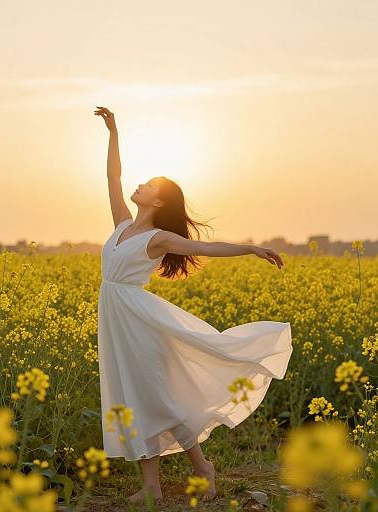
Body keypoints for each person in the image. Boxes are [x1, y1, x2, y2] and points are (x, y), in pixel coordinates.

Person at [94, 106, 293, 505]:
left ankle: (202, 467)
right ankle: (150, 485)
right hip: (116, 320)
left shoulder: (159, 238)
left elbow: (206, 247)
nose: (139, 184)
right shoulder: (121, 224)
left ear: (158, 200)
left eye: (148, 184)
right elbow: (112, 175)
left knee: (156, 397)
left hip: (140, 322)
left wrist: (251, 248)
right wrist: (114, 131)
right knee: (129, 398)